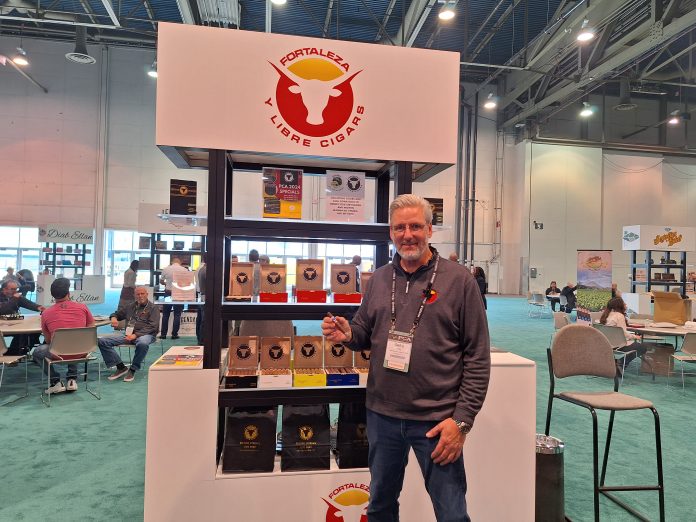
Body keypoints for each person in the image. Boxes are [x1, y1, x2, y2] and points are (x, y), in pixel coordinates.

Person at [321, 194, 490, 522]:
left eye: (415, 226)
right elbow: (365, 330)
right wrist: (349, 334)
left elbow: (478, 357)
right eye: (400, 228)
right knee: (380, 506)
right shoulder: (379, 279)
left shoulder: (460, 281)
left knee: (452, 513)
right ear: (391, 232)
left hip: (436, 420)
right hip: (382, 415)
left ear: (429, 229)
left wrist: (461, 421)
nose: (407, 234)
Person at [33, 278, 95, 396]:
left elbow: (48, 340)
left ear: (52, 295)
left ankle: (55, 381)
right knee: (75, 340)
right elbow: (91, 330)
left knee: (38, 352)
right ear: (68, 293)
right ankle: (72, 379)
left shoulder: (46, 313)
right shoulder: (83, 307)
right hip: (82, 351)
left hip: (59, 353)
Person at [98, 286, 160, 382]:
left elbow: (153, 326)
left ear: (147, 294)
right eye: (138, 294)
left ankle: (133, 369)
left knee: (142, 343)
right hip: (128, 335)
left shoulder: (153, 308)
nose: (140, 296)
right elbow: (116, 314)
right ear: (134, 295)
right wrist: (113, 318)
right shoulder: (130, 306)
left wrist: (135, 335)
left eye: (142, 294)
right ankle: (121, 367)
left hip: (146, 335)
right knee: (102, 341)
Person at [600, 296, 648, 372]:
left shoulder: (606, 315)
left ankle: (617, 363)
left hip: (607, 344)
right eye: (624, 303)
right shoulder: (619, 316)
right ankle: (621, 364)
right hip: (619, 345)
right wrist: (635, 336)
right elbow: (624, 334)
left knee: (634, 344)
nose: (626, 305)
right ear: (620, 305)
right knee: (642, 347)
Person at [0, 280, 45, 355]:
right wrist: (14, 298)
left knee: (32, 332)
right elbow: (3, 310)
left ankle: (18, 352)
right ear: (4, 289)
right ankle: (13, 353)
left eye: (16, 289)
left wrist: (38, 307)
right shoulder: (12, 297)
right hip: (2, 327)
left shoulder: (15, 297)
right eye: (12, 289)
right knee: (22, 334)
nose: (15, 291)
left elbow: (27, 303)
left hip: (13, 324)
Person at [159, 257, 188, 339]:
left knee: (165, 314)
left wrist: (166, 284)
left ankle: (163, 334)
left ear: (172, 262)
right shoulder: (184, 270)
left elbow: (161, 281)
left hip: (168, 292)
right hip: (179, 293)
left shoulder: (166, 269)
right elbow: (187, 282)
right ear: (180, 262)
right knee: (177, 314)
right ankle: (174, 334)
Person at [196, 254, 207, 345]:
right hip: (206, 296)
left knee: (201, 319)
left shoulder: (201, 269)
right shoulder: (206, 270)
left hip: (202, 295)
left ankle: (200, 339)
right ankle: (202, 340)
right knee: (204, 320)